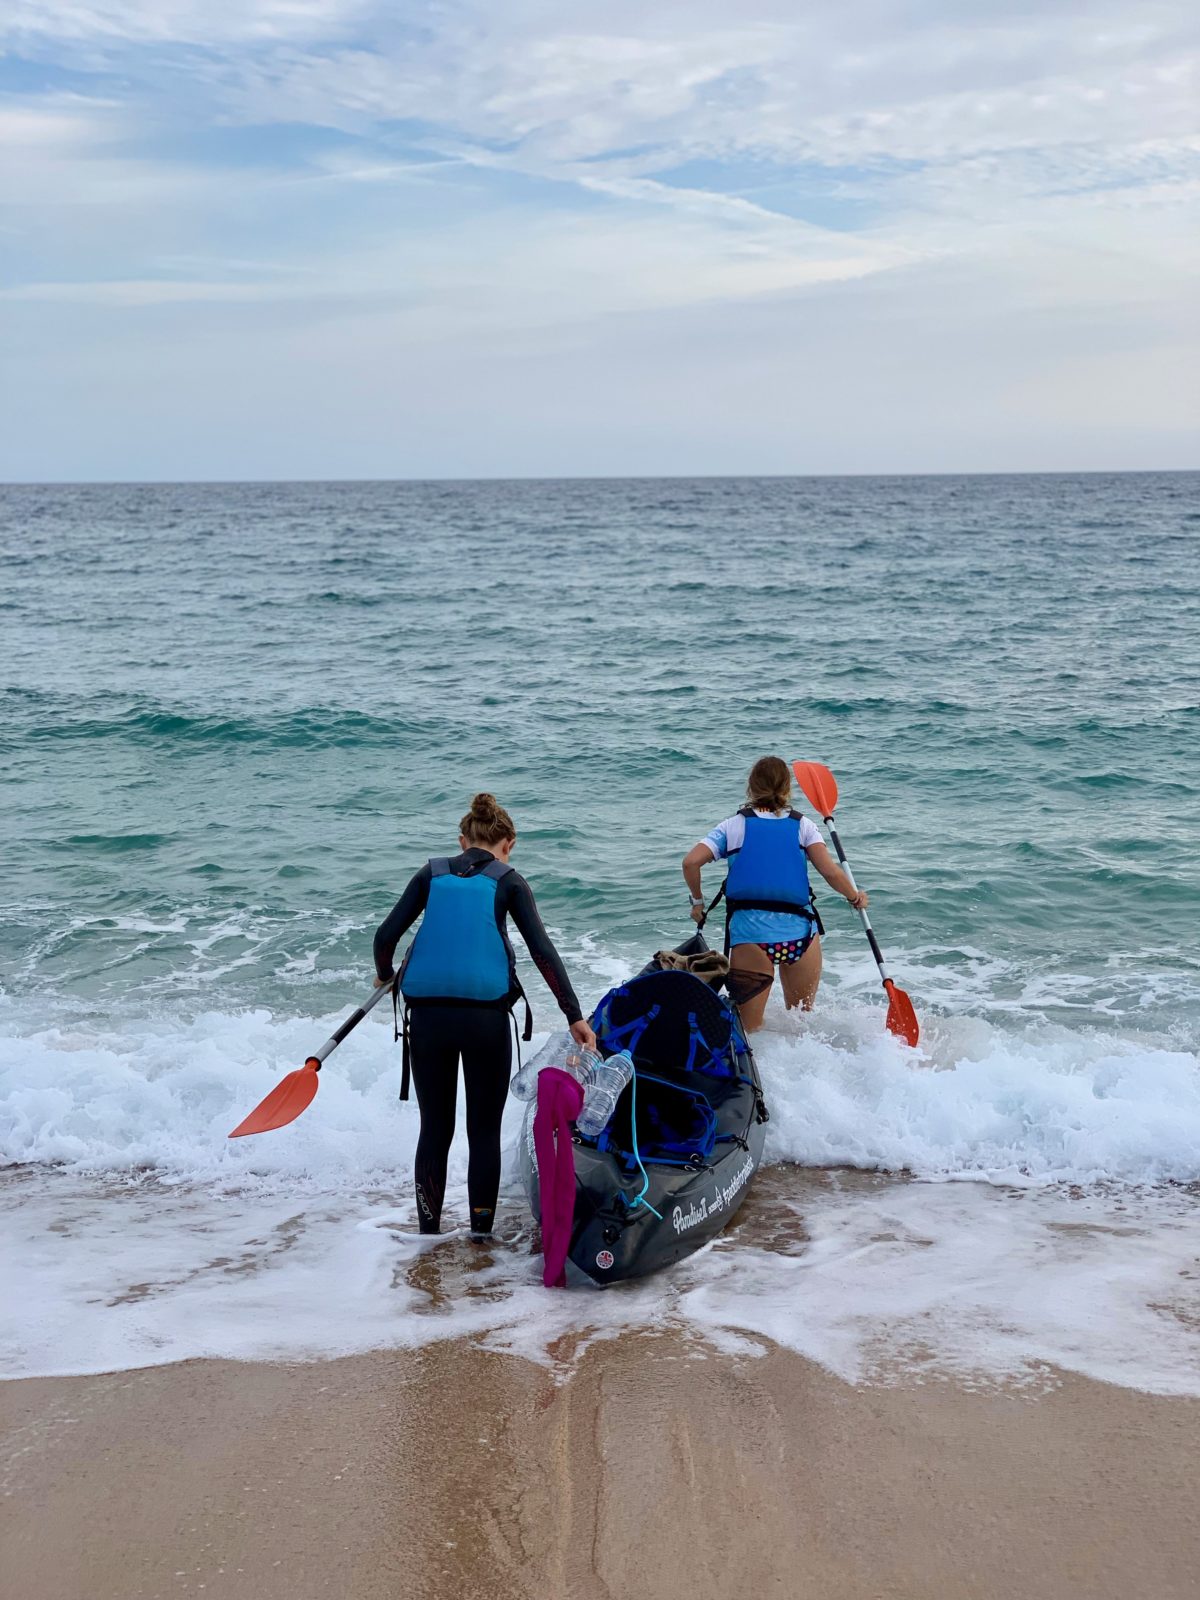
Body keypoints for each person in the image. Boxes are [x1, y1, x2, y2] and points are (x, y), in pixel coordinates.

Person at [373, 793, 596, 1238]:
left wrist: (385, 977)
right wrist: (574, 1014)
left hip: (429, 1022)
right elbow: (542, 952)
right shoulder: (510, 881)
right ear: (508, 843)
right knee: (482, 1131)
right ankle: (480, 1236)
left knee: (435, 1128)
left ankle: (429, 1235)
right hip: (485, 1024)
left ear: (462, 840)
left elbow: (385, 937)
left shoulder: (429, 874)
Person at [681, 756, 868, 1031]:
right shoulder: (803, 826)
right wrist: (855, 896)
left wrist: (698, 903)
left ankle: (757, 1073)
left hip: (751, 939)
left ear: (751, 787)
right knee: (801, 1024)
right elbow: (831, 873)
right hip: (800, 937)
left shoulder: (733, 826)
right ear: (787, 788)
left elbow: (690, 862)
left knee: (749, 1030)